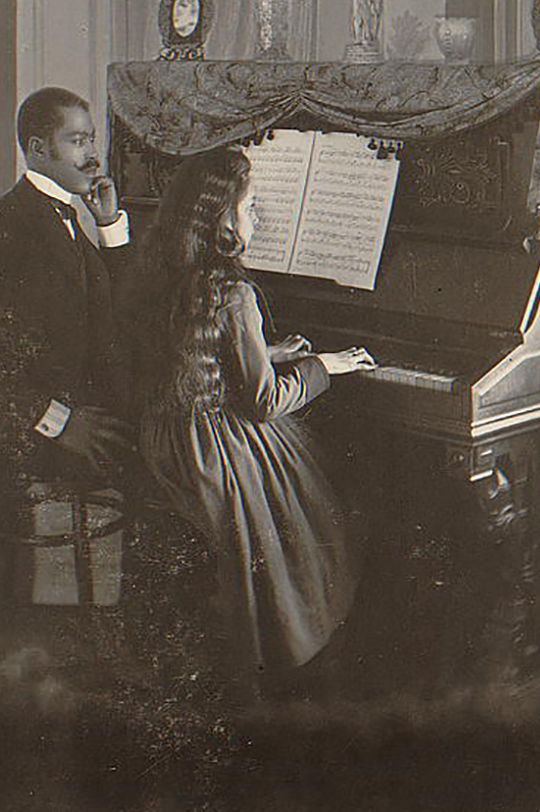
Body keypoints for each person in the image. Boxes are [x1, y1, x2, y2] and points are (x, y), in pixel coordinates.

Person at [122, 146, 375, 690]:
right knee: (321, 505)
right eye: (252, 206)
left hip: (168, 439)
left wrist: (266, 350)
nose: (259, 217)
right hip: (215, 455)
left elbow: (197, 350)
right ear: (222, 219)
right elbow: (262, 403)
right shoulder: (233, 291)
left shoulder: (167, 273)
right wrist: (323, 364)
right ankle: (307, 650)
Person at [0, 88, 134, 528]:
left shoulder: (67, 217)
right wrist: (58, 423)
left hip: (84, 408)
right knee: (183, 453)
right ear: (37, 149)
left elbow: (122, 310)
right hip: (34, 438)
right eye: (77, 141)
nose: (93, 156)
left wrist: (108, 227)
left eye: (92, 139)